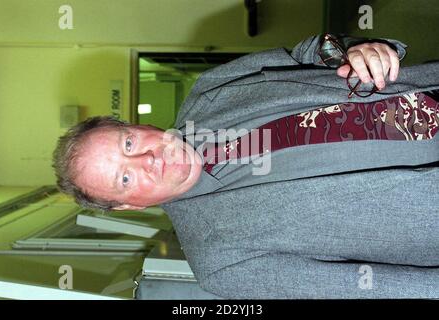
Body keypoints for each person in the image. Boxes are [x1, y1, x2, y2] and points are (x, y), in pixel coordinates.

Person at [53, 33, 439, 298]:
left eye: (129, 143)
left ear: (135, 125)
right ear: (128, 206)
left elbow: (309, 52)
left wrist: (359, 50)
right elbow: (364, 289)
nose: (148, 160)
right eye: (125, 177)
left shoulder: (212, 88)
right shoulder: (221, 264)